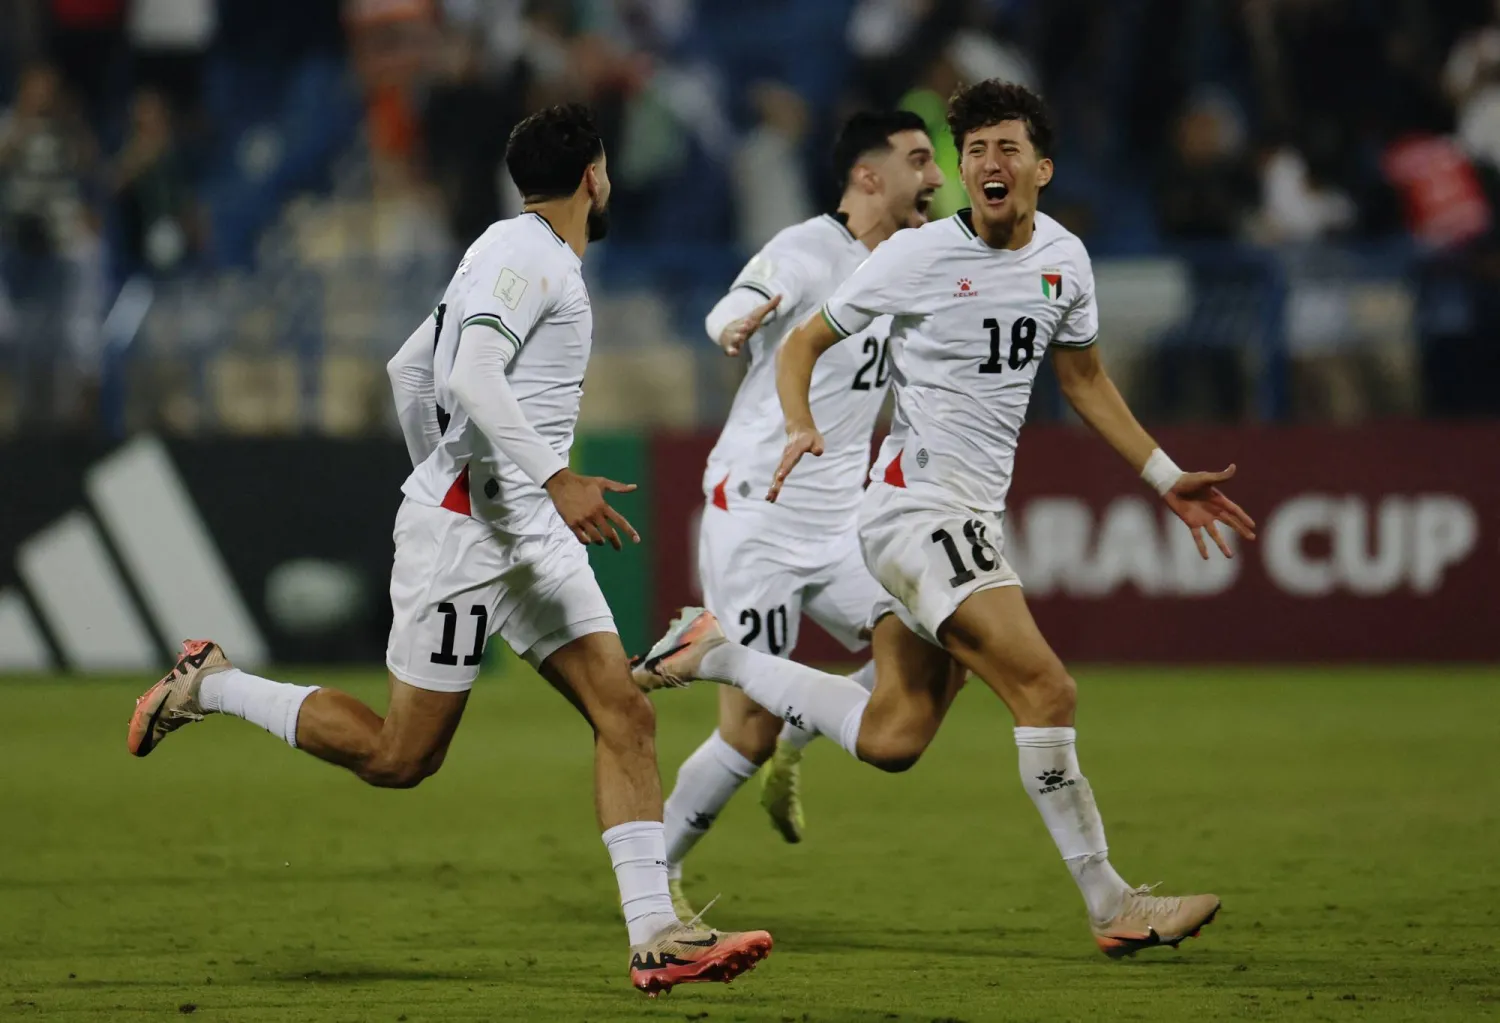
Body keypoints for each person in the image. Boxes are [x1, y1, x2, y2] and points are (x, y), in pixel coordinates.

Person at [126, 103, 772, 996]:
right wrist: (520, 482)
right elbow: (466, 373)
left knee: (625, 713)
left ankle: (655, 931)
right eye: (608, 166)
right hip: (476, 533)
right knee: (402, 758)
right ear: (594, 174)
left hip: (520, 530)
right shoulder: (526, 256)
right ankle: (213, 681)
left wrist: (458, 470)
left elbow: (407, 370)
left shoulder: (506, 250)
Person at [635, 81, 1256, 958]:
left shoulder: (1067, 260)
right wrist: (801, 419)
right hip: (910, 513)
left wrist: (1163, 475)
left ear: (1042, 166)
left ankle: (716, 654)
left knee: (896, 735)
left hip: (954, 514)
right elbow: (805, 340)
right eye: (972, 152)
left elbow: (1081, 379)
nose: (984, 165)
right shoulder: (915, 256)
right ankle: (1113, 901)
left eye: (1004, 148)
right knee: (1047, 688)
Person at [662, 110, 943, 915]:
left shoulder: (914, 265)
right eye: (919, 160)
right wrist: (738, 322)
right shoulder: (808, 249)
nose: (934, 177)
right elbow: (733, 306)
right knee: (741, 731)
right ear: (867, 176)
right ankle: (657, 875)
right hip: (757, 515)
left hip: (841, 521)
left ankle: (800, 731)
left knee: (934, 640)